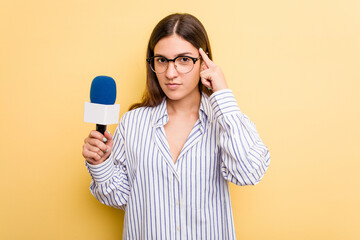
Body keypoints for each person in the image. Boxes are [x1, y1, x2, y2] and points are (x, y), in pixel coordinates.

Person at [82, 13, 270, 239]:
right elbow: (121, 198)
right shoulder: (133, 123)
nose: (170, 73)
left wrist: (223, 95)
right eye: (161, 60)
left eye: (183, 59)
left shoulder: (226, 120)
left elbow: (249, 172)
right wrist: (101, 164)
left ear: (204, 61)